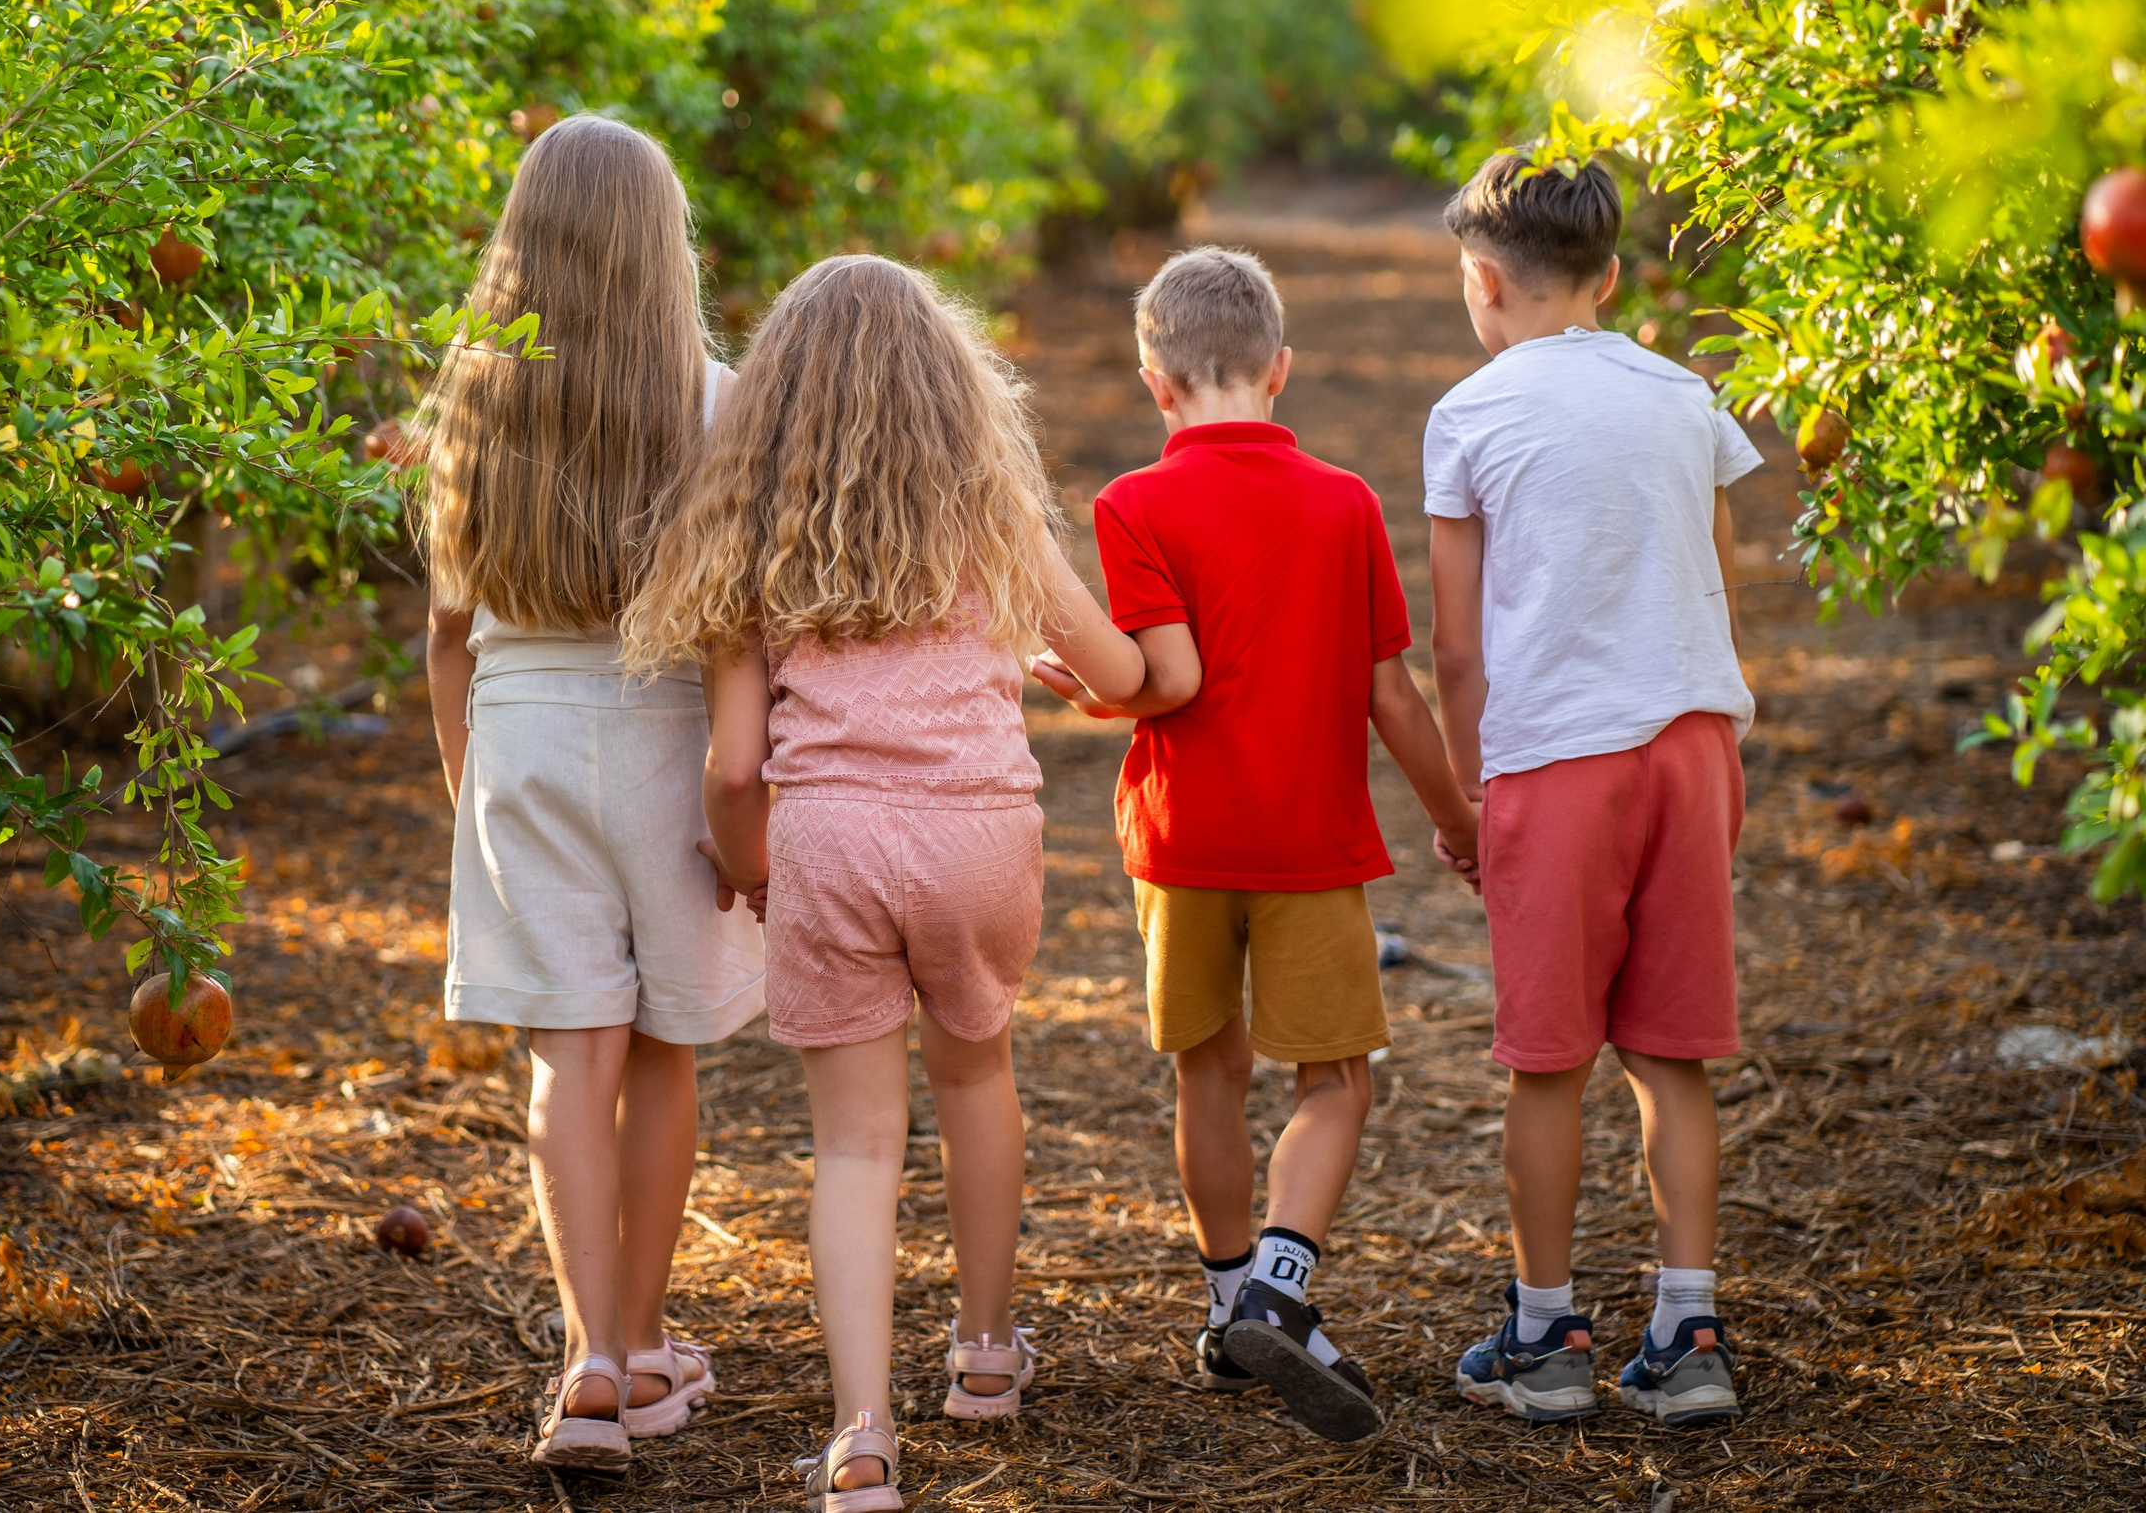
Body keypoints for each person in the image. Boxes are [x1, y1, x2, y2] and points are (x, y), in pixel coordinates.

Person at [623, 255, 1184, 1512]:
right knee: (978, 1075)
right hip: (980, 836)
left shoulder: (747, 533)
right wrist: (1113, 675)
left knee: (856, 1146)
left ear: (771, 398)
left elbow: (729, 770)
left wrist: (755, 874)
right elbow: (1115, 668)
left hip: (829, 837)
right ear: (951, 389)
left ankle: (863, 1433)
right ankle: (985, 1357)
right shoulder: (990, 511)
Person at [1030, 245, 1481, 1444]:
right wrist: (1454, 816)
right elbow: (1392, 699)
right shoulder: (1341, 503)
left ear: (1153, 381)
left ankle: (1231, 1299)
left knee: (1206, 1072)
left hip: (1179, 842)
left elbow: (1154, 681)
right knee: (1332, 1079)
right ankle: (1278, 1286)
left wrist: (1086, 693)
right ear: (1280, 369)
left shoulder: (1129, 504)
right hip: (1309, 841)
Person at [423, 115, 764, 1475]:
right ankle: (640, 1330)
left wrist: (469, 784)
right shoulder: (719, 399)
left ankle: (591, 1359)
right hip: (670, 728)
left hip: (521, 731)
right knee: (665, 1045)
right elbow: (746, 617)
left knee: (572, 1049)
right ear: (661, 244)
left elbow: (448, 633)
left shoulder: (476, 388)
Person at [1426, 149, 1755, 1429]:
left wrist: (1467, 789)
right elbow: (1720, 586)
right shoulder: (1684, 395)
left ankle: (1545, 1333)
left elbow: (1456, 643)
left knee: (1547, 1059)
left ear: (1479, 283)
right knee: (1672, 1053)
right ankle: (1689, 1331)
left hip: (1557, 760)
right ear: (1611, 278)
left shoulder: (1471, 412)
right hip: (1687, 744)